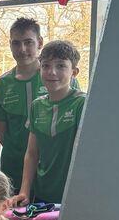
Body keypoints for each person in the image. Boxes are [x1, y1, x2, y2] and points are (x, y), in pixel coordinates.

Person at [15, 40, 86, 206]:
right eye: (46, 66)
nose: (52, 72)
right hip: (42, 194)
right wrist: (24, 191)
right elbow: (32, 153)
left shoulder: (82, 104)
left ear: (74, 72)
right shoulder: (37, 105)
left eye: (61, 66)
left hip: (72, 195)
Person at [0, 17, 51, 189]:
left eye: (28, 42)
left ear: (40, 43)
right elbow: (2, 135)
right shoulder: (0, 85)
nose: (22, 49)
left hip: (50, 167)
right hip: (14, 168)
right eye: (16, 43)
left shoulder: (56, 79)